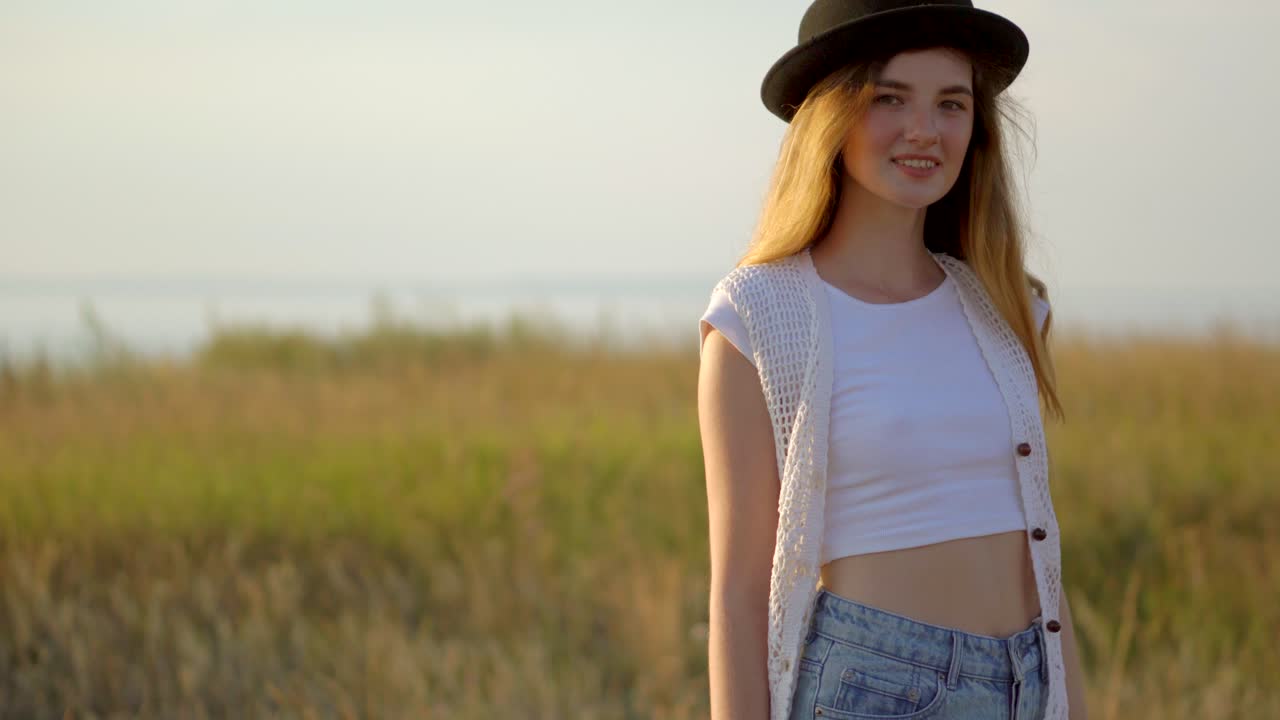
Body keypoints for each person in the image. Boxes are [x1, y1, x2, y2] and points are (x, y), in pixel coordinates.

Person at [696, 2, 1089, 720]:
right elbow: (739, 595)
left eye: (951, 103)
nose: (924, 131)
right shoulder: (758, 317)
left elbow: (1042, 555)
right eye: (889, 98)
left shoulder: (1005, 308)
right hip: (872, 689)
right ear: (832, 116)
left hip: (1025, 681)